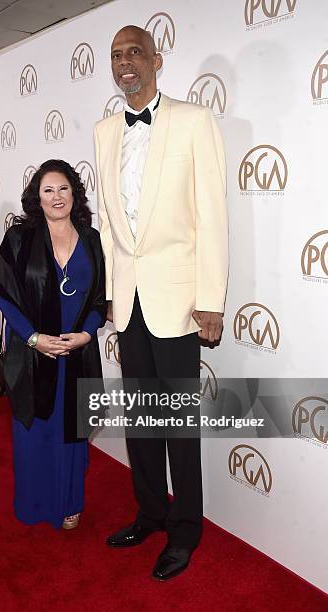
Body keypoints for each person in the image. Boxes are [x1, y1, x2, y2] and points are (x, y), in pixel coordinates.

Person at [94, 26, 228, 580]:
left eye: (135, 54)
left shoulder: (194, 121)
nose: (126, 64)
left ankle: (185, 529)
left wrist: (211, 299)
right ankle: (150, 512)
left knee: (177, 425)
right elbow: (107, 219)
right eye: (117, 56)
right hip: (128, 302)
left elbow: (212, 214)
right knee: (140, 423)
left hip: (178, 301)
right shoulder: (105, 131)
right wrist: (106, 293)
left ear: (157, 60)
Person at [0, 160, 106, 530]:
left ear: (75, 193)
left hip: (76, 353)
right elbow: (4, 295)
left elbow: (101, 299)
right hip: (32, 353)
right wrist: (35, 338)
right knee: (33, 431)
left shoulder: (91, 239)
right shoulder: (19, 239)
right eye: (48, 190)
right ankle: (35, 501)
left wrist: (87, 334)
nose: (57, 197)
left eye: (64, 189)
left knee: (70, 431)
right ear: (36, 197)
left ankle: (70, 501)